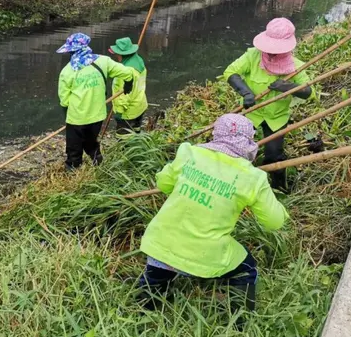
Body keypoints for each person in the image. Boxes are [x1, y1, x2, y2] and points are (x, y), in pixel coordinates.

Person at [138, 114, 288, 311]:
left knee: (156, 273)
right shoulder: (253, 178)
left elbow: (164, 183)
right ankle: (240, 321)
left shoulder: (190, 153)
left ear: (215, 134)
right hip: (204, 255)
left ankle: (147, 307)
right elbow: (274, 222)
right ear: (249, 140)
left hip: (159, 244)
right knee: (246, 270)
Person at [223, 18, 312, 191]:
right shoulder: (253, 56)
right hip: (251, 114)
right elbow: (230, 72)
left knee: (274, 154)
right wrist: (246, 92)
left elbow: (308, 92)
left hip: (276, 117)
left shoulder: (296, 66)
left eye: (276, 51)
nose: (271, 54)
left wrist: (287, 87)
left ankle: (279, 188)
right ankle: (235, 185)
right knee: (237, 149)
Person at [57, 33, 135, 169]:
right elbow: (128, 72)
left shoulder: (67, 71)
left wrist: (67, 118)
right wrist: (128, 83)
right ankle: (98, 163)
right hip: (97, 116)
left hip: (76, 118)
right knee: (90, 142)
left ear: (72, 51)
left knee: (74, 151)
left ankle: (73, 172)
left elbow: (64, 101)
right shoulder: (103, 61)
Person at [108, 37, 148, 134]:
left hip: (128, 112)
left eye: (117, 53)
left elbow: (124, 94)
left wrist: (119, 112)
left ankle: (125, 149)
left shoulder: (124, 72)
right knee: (136, 133)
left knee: (123, 139)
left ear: (121, 54)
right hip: (140, 105)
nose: (116, 56)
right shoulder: (139, 62)